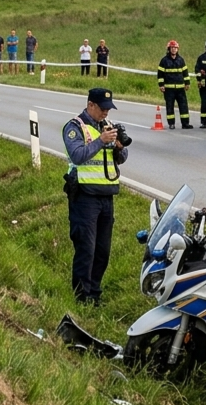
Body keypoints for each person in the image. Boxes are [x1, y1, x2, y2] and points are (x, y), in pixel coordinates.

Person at [62, 88, 128, 306]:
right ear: (91, 105)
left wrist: (118, 146)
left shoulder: (107, 127)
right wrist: (101, 140)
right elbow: (78, 155)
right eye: (103, 108)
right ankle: (82, 297)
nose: (106, 113)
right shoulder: (75, 127)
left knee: (102, 251)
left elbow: (121, 159)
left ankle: (95, 294)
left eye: (109, 109)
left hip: (106, 197)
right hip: (84, 197)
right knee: (86, 249)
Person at [157, 40, 192, 129]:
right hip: (169, 89)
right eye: (172, 48)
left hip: (180, 89)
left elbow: (185, 73)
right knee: (170, 106)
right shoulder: (164, 61)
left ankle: (185, 123)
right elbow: (160, 74)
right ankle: (171, 123)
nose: (174, 50)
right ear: (169, 49)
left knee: (183, 106)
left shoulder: (181, 60)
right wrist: (161, 85)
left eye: (175, 48)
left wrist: (187, 83)